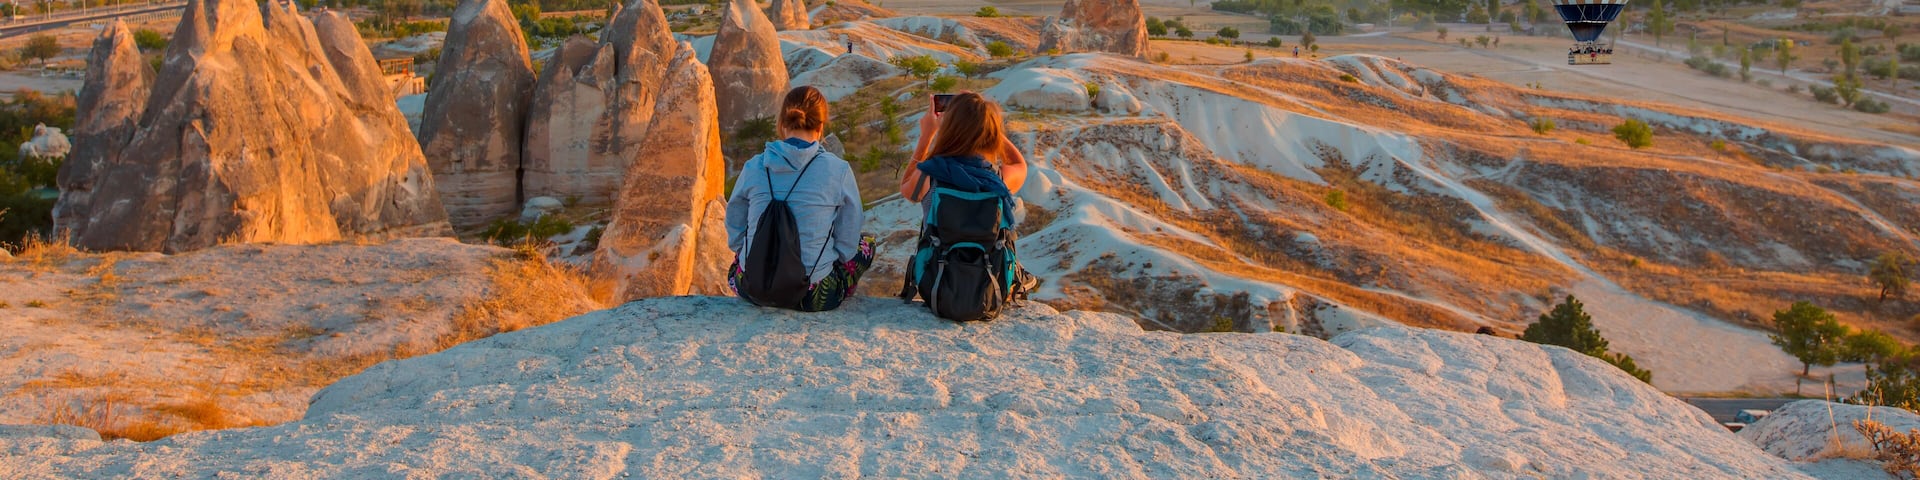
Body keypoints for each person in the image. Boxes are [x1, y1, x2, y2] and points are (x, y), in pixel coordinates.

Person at [726, 86, 872, 312]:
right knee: (866, 245)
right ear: (821, 127)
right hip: (812, 294)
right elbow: (848, 238)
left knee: (737, 264)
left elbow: (735, 225)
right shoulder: (838, 170)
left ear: (782, 124)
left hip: (754, 286)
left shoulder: (754, 165)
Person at [899, 92, 1028, 204]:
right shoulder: (996, 177)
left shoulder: (929, 175)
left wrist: (926, 136)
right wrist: (985, 119)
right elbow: (1019, 164)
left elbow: (906, 187)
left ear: (949, 129)